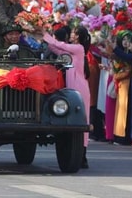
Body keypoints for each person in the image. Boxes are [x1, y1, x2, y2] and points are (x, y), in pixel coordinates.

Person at [44, 26, 91, 168]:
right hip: (72, 85)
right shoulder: (73, 50)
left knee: (82, 120)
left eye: (73, 32)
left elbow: (60, 45)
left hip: (79, 86)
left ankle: (82, 155)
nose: (70, 34)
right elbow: (57, 49)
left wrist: (44, 34)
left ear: (77, 36)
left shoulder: (79, 48)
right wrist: (42, 38)